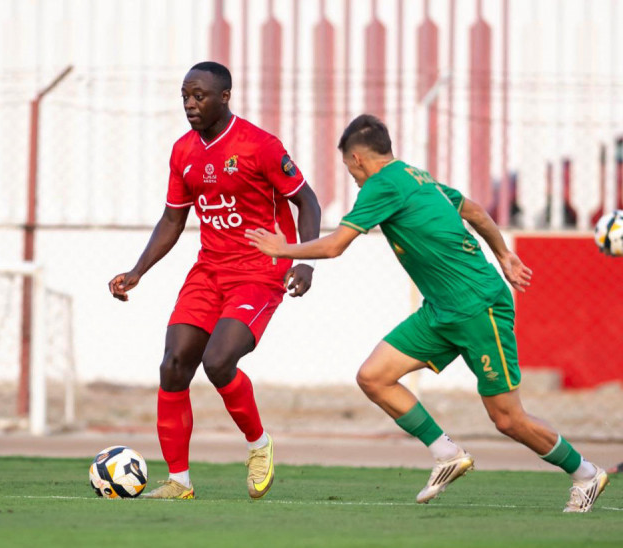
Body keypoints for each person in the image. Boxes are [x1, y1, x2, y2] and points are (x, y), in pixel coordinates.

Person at [245, 114, 609, 512]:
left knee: (507, 419)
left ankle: (586, 474)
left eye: (348, 167)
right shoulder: (417, 177)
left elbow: (335, 246)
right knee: (374, 377)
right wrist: (503, 254)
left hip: (477, 305)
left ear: (357, 158)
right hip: (441, 309)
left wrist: (283, 249)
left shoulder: (381, 184)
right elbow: (474, 211)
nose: (351, 175)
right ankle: (446, 453)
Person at [108, 62, 321, 500]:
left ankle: (259, 445)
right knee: (173, 364)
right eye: (185, 95)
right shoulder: (183, 151)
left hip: (260, 270)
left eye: (199, 95)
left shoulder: (259, 145)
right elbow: (172, 218)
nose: (190, 103)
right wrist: (137, 271)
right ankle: (178, 482)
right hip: (209, 270)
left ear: (224, 97)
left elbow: (308, 200)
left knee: (218, 361)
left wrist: (304, 259)